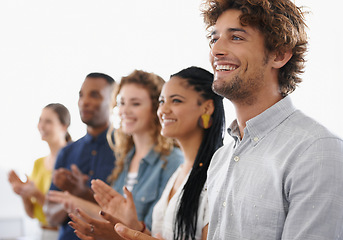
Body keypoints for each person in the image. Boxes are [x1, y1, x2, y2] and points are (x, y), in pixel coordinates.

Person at [201, 0, 343, 239]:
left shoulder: (317, 150)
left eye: (236, 37)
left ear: (279, 54)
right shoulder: (220, 159)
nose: (216, 50)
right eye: (214, 39)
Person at [71, 66, 225, 240]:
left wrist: (122, 235)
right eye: (161, 101)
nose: (164, 110)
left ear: (206, 108)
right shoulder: (179, 172)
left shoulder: (214, 176)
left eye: (176, 101)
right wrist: (133, 227)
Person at [47, 70, 183, 238]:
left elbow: (153, 230)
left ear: (156, 108)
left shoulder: (172, 161)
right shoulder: (126, 159)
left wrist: (78, 202)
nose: (124, 110)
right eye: (122, 103)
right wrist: (77, 201)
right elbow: (115, 218)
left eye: (135, 103)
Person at [44, 73, 117, 240]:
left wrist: (81, 193)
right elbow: (50, 216)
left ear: (113, 101)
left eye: (94, 95)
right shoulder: (67, 152)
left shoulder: (125, 150)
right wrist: (70, 196)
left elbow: (125, 218)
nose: (84, 101)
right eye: (81, 95)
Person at [8, 103, 71, 240]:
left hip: (64, 234)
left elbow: (69, 212)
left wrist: (36, 194)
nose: (41, 126)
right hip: (41, 232)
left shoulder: (72, 161)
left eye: (48, 121)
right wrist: (23, 193)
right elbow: (32, 214)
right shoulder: (38, 163)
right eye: (40, 120)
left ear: (64, 126)